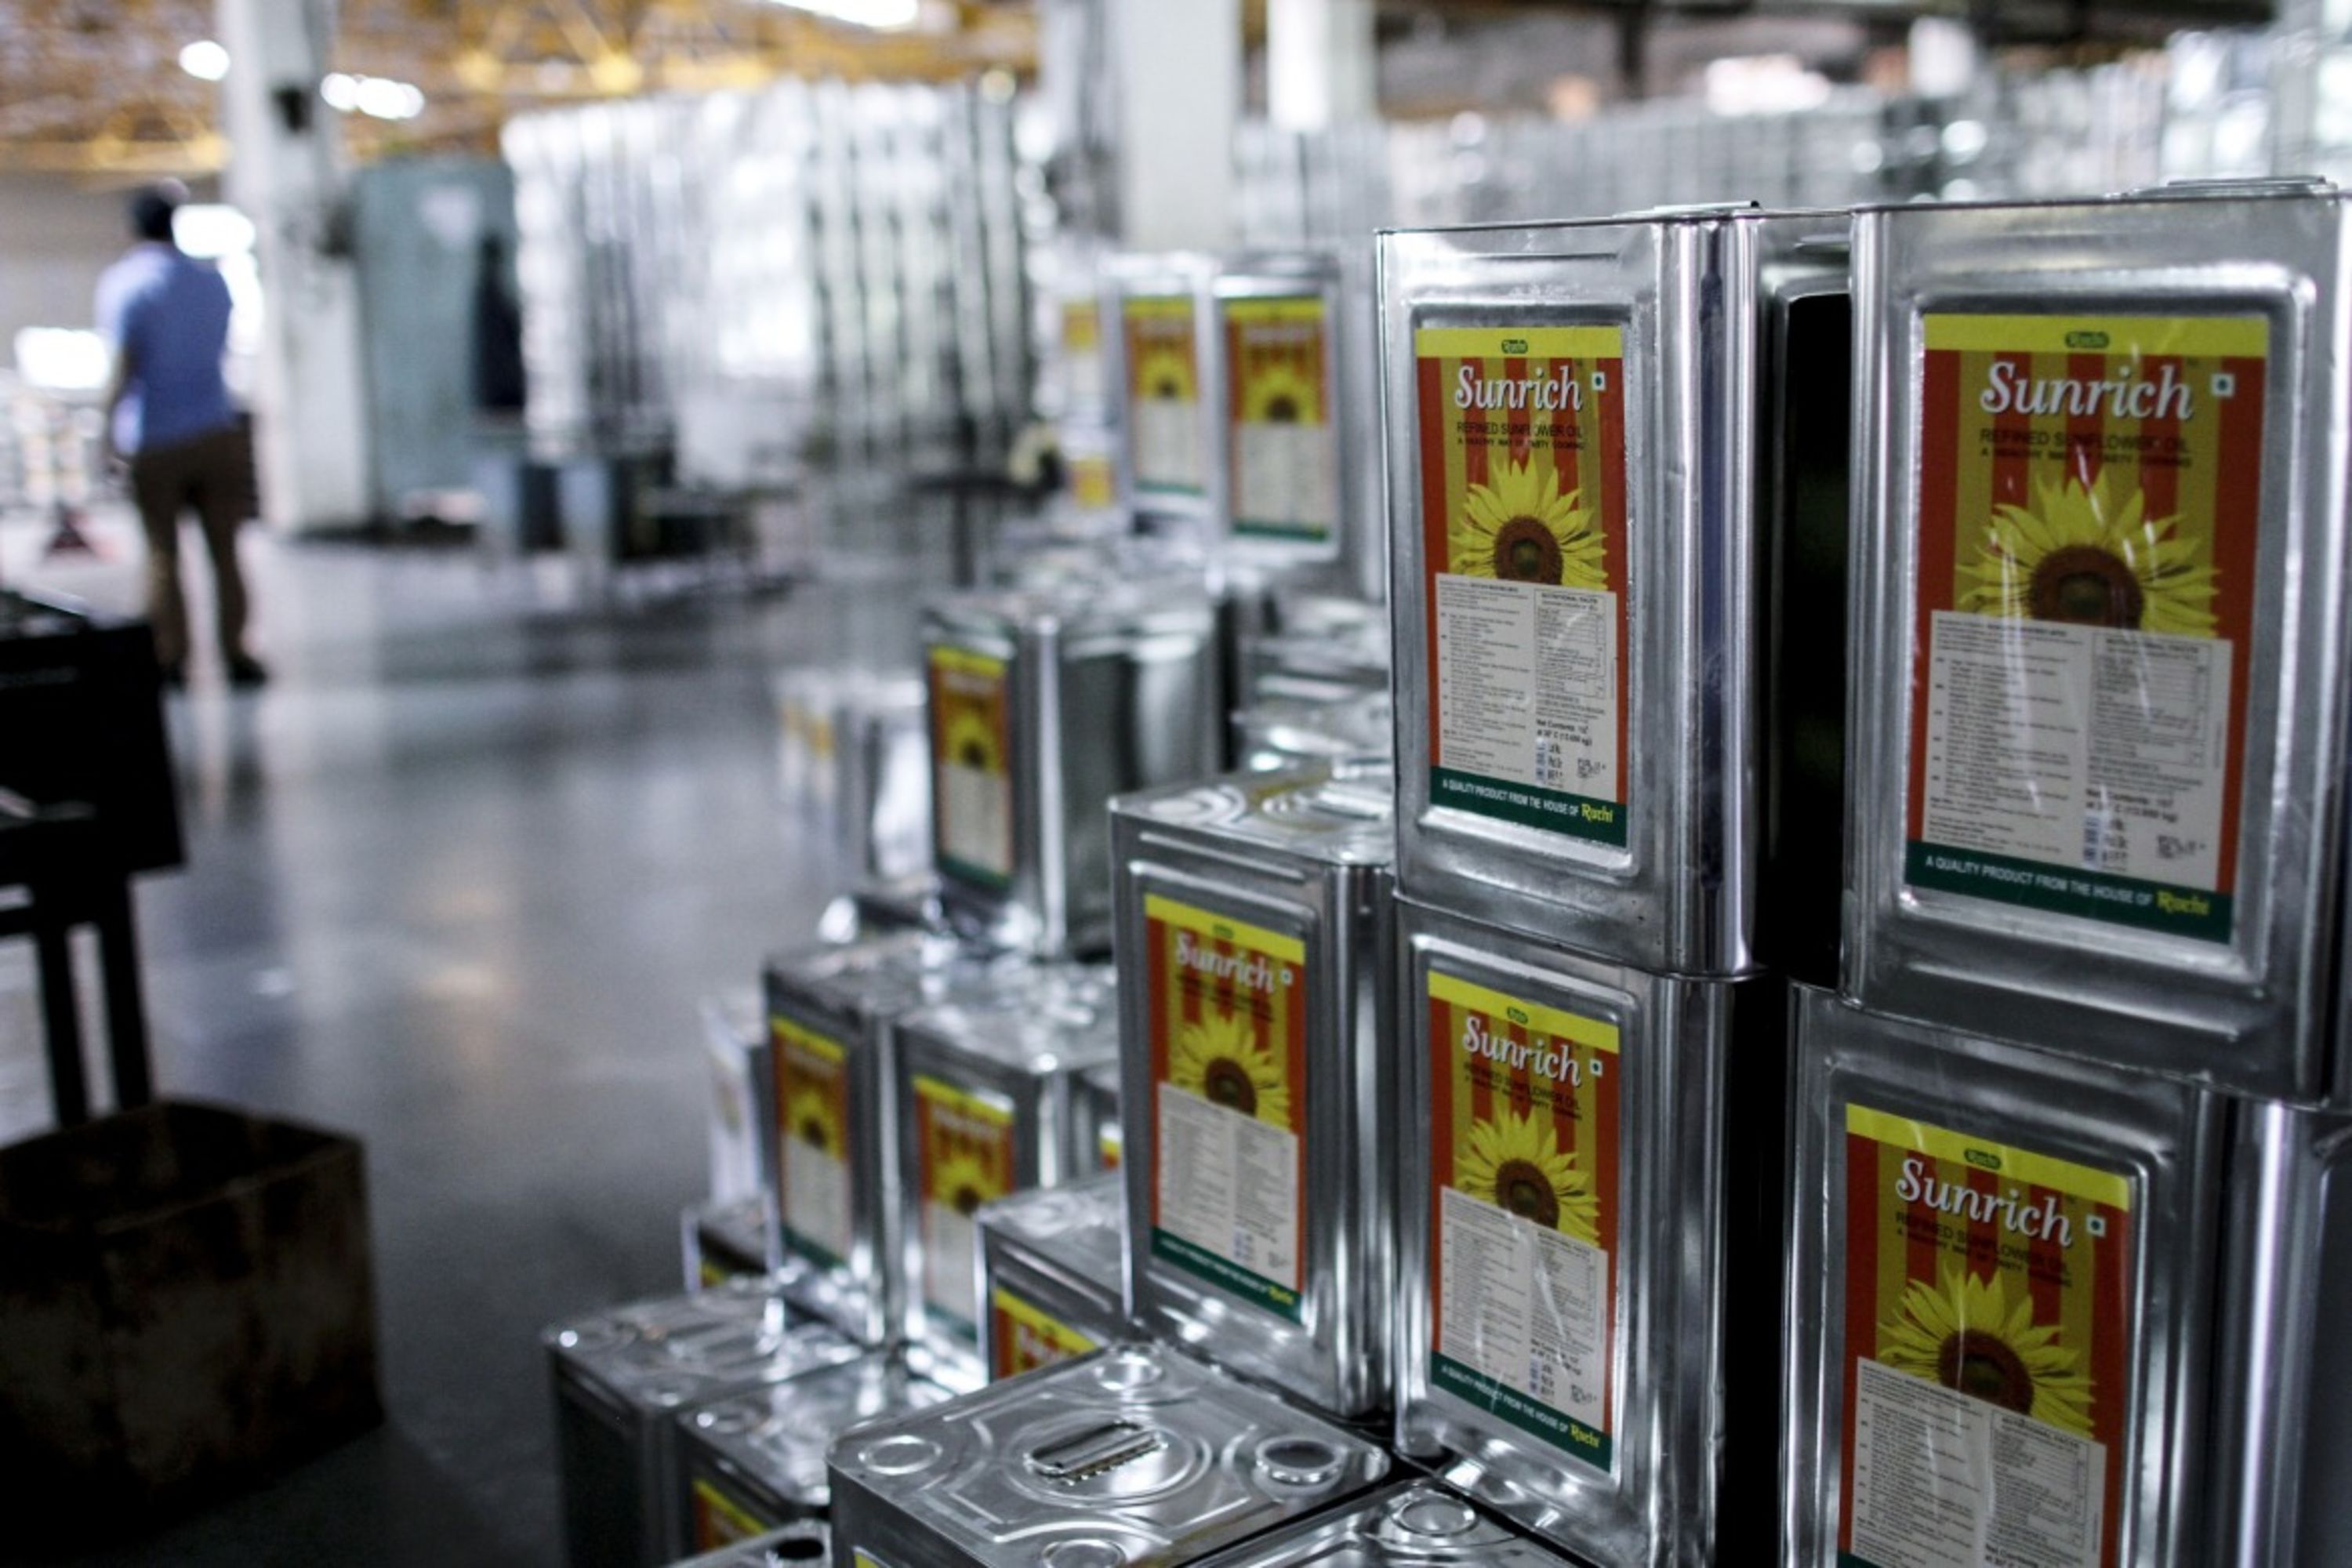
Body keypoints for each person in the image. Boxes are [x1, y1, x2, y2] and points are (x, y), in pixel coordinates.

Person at [96, 182, 265, 688]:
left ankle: (172, 658)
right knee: (226, 552)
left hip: (156, 438)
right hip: (216, 431)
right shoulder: (212, 284)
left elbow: (124, 366)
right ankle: (236, 652)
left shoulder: (127, 284)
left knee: (163, 554)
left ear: (132, 228)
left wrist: (107, 434)